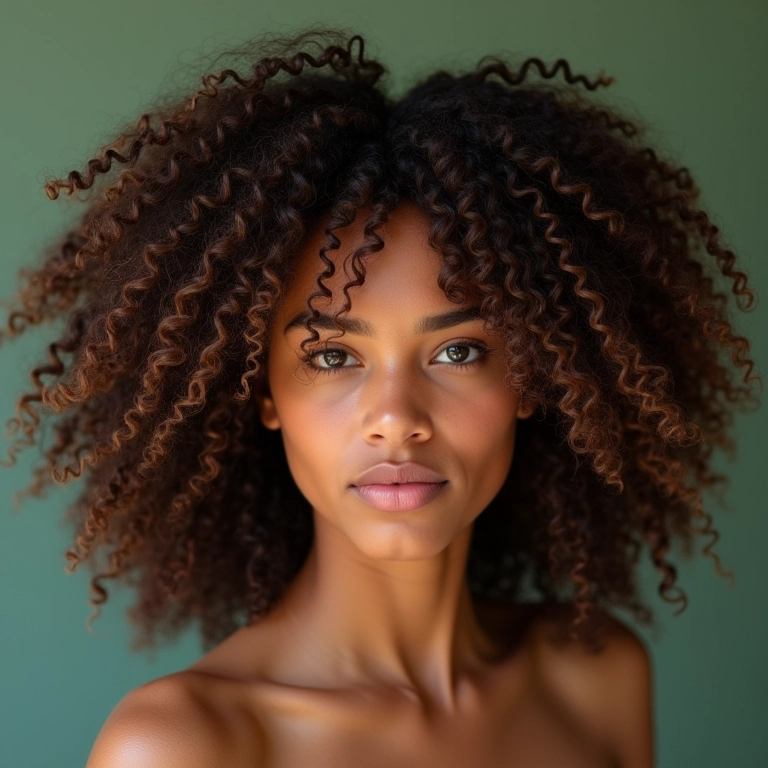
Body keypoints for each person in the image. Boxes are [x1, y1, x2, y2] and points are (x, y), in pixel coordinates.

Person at [1, 26, 759, 768]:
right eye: (332, 355)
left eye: (458, 351)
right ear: (262, 392)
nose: (397, 416)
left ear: (533, 376)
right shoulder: (186, 748)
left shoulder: (596, 679)